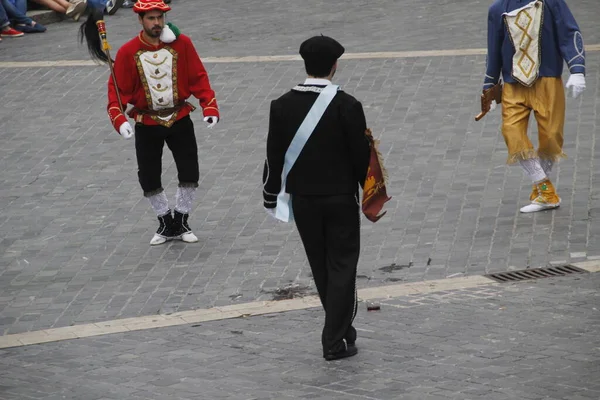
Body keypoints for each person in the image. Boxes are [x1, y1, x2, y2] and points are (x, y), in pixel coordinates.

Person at [262, 35, 371, 361]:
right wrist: (371, 194)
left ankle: (343, 331)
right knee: (342, 267)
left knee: (322, 268)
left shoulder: (281, 105)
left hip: (304, 200)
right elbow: (361, 158)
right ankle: (333, 341)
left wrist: (270, 194)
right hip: (340, 198)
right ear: (334, 65)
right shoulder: (348, 105)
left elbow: (273, 156)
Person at [80, 0, 220, 245]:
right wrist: (119, 117)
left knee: (189, 171)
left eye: (160, 18)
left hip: (180, 118)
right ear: (140, 20)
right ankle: (165, 222)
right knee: (149, 175)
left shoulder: (182, 43)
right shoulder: (127, 51)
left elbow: (199, 76)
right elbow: (117, 89)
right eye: (151, 19)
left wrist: (209, 105)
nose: (157, 23)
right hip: (147, 122)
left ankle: (181, 219)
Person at [484, 0, 586, 213]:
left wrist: (576, 68)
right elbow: (493, 49)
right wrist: (489, 87)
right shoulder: (497, 9)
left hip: (546, 79)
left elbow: (568, 32)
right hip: (513, 83)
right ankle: (545, 189)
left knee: (551, 136)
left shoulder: (552, 2)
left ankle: (542, 193)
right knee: (512, 132)